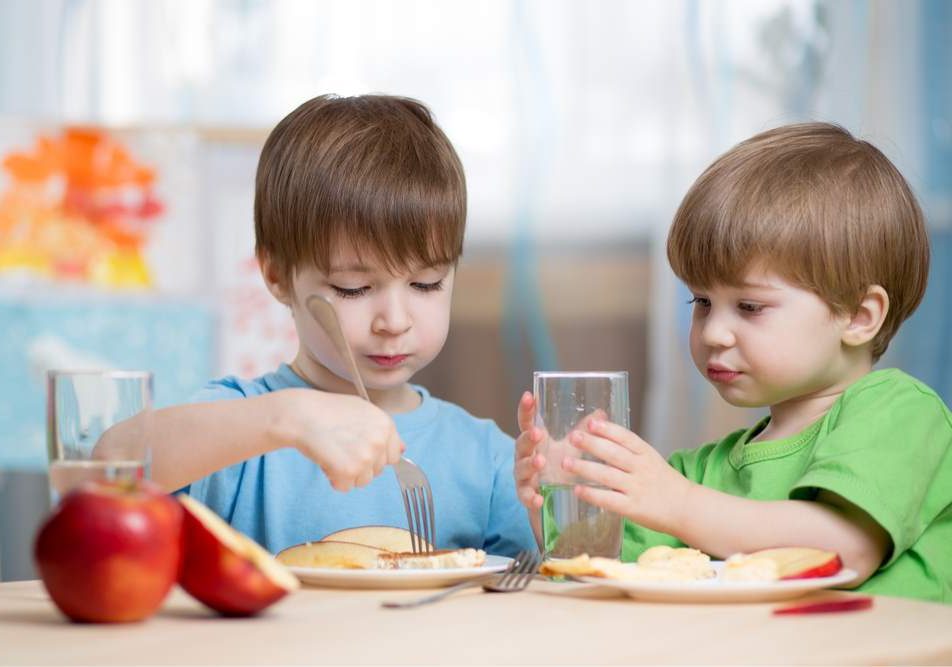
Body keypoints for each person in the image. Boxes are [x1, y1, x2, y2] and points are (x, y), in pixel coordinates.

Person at [514, 122, 952, 602]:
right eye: (700, 302)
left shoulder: (900, 413)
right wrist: (557, 498)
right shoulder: (701, 472)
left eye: (749, 307)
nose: (713, 332)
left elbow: (843, 550)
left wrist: (679, 505)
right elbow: (601, 569)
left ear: (859, 317)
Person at [111, 94, 535, 557]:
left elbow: (530, 597)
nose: (394, 322)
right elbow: (105, 469)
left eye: (426, 283)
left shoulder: (488, 459)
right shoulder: (243, 425)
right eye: (353, 288)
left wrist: (553, 515)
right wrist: (287, 418)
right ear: (276, 275)